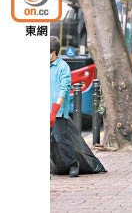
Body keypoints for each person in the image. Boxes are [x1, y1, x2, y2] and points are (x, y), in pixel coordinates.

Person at [50, 36, 79, 177]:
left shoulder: (63, 67)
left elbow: (64, 88)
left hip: (57, 112)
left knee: (60, 139)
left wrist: (55, 109)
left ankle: (73, 165)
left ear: (54, 52)